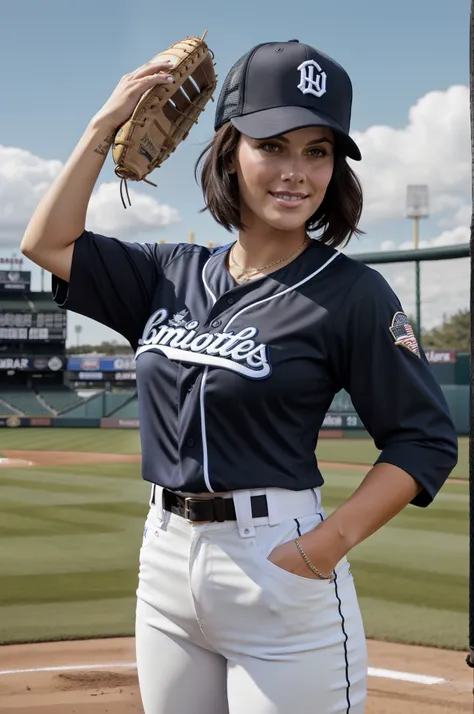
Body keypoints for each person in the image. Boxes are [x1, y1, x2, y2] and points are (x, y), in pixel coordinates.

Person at [21, 38, 458, 714]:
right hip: (166, 561)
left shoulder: (352, 293)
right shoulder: (168, 272)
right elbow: (46, 243)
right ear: (229, 150)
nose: (297, 172)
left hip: (278, 562)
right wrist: (100, 127)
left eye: (318, 151)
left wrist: (322, 550)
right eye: (274, 145)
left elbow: (423, 440)